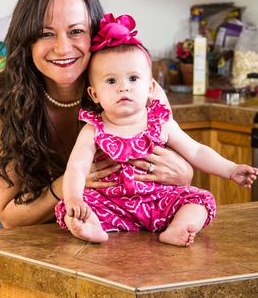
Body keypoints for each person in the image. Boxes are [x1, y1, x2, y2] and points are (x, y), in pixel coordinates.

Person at [0, 0, 193, 229]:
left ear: (95, 34)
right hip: (46, 245)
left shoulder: (138, 92)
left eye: (76, 31)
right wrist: (71, 181)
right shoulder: (4, 104)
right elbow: (9, 217)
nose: (63, 47)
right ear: (27, 41)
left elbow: (177, 175)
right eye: (46, 34)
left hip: (133, 240)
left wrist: (185, 174)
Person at [55, 13, 257, 246]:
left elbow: (197, 151)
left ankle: (178, 227)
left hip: (158, 201)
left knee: (200, 200)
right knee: (70, 208)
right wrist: (74, 198)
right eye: (111, 81)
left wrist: (230, 169)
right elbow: (77, 169)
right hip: (111, 204)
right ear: (95, 94)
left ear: (151, 87)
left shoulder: (160, 121)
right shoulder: (93, 129)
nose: (123, 88)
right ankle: (90, 226)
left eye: (133, 78)